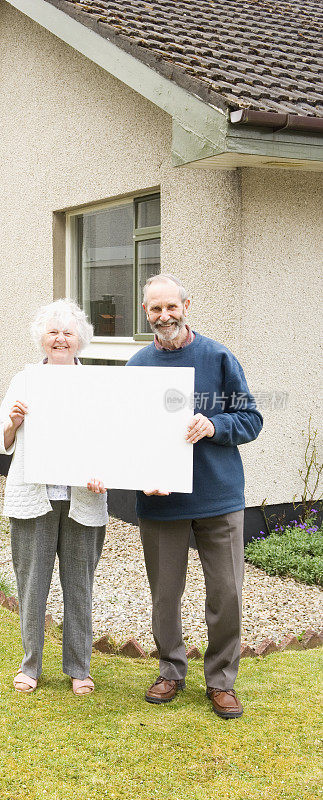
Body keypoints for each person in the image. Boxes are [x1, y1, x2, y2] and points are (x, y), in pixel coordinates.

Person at [127, 274, 263, 719]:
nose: (163, 316)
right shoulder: (137, 366)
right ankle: (171, 670)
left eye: (171, 307)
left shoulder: (217, 356)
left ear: (187, 305)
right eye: (154, 309)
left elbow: (251, 419)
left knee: (226, 593)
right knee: (165, 594)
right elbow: (124, 436)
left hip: (219, 497)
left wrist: (215, 425)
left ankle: (221, 681)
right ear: (145, 311)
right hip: (161, 500)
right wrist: (137, 474)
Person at [0, 299, 108, 696]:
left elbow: (110, 441)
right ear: (42, 338)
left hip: (82, 502)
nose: (60, 339)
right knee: (31, 585)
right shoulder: (24, 380)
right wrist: (13, 423)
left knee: (79, 587)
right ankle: (30, 666)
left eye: (68, 332)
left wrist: (104, 472)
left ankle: (79, 667)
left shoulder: (95, 384)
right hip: (32, 499)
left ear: (80, 340)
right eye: (53, 332)